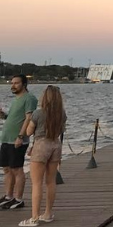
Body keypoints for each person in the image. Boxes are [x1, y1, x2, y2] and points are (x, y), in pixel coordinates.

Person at [19, 86, 66, 226]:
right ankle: (48, 213)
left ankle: (34, 218)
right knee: (50, 182)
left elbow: (28, 132)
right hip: (56, 145)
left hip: (41, 145)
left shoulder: (38, 113)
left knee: (37, 183)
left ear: (45, 97)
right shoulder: (62, 114)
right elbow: (61, 130)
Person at [0, 74, 38, 211]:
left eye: (16, 83)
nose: (13, 85)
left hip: (18, 140)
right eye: (12, 83)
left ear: (24, 84)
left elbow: (28, 119)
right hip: (6, 139)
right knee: (6, 168)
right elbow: (13, 118)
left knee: (17, 169)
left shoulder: (30, 98)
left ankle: (19, 199)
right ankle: (8, 196)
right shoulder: (16, 99)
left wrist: (21, 136)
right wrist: (3, 115)